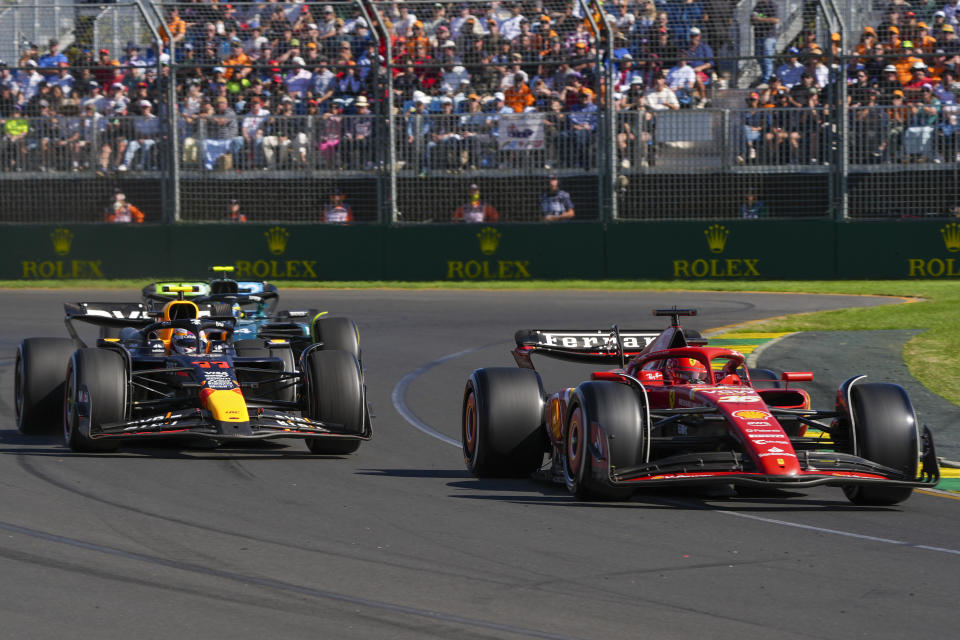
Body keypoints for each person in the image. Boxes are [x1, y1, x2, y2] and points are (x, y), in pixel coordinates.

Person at [751, 0, 779, 85]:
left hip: (769, 36)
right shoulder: (757, 6)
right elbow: (752, 19)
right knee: (758, 56)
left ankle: (766, 80)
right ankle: (765, 76)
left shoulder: (772, 5)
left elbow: (776, 20)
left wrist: (760, 19)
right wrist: (753, 19)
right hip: (758, 35)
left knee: (767, 58)